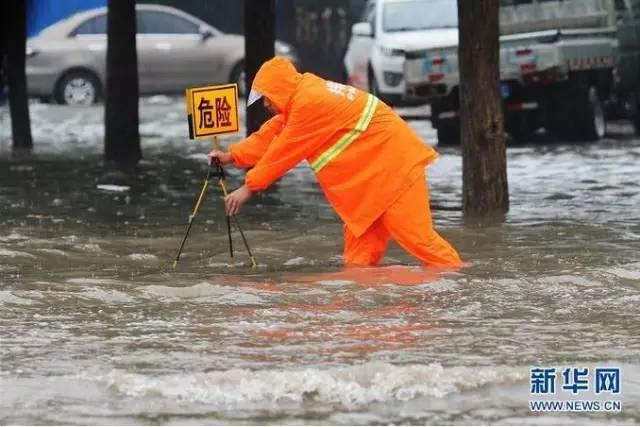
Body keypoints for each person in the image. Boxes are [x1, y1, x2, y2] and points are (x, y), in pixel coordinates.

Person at [208, 56, 462, 268]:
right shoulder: (303, 97)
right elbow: (274, 133)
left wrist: (248, 187)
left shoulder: (309, 103)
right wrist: (233, 156)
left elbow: (284, 151)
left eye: (267, 97)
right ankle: (361, 320)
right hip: (372, 183)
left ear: (280, 89)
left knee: (419, 241)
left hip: (395, 170)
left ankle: (462, 285)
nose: (265, 104)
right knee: (358, 262)